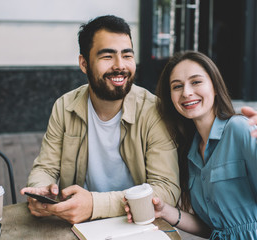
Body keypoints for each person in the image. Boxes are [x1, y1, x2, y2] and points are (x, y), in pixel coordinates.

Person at [20, 15, 180, 224]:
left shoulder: (153, 110)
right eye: (107, 56)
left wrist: (95, 205)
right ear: (84, 63)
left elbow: (167, 188)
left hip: (136, 222)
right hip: (78, 224)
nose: (120, 66)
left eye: (127, 55)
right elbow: (46, 168)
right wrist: (42, 191)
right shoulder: (65, 106)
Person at [125, 51, 257, 239]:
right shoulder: (190, 151)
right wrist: (164, 211)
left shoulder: (238, 128)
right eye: (177, 86)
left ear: (215, 87)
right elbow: (213, 228)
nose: (186, 92)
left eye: (196, 82)